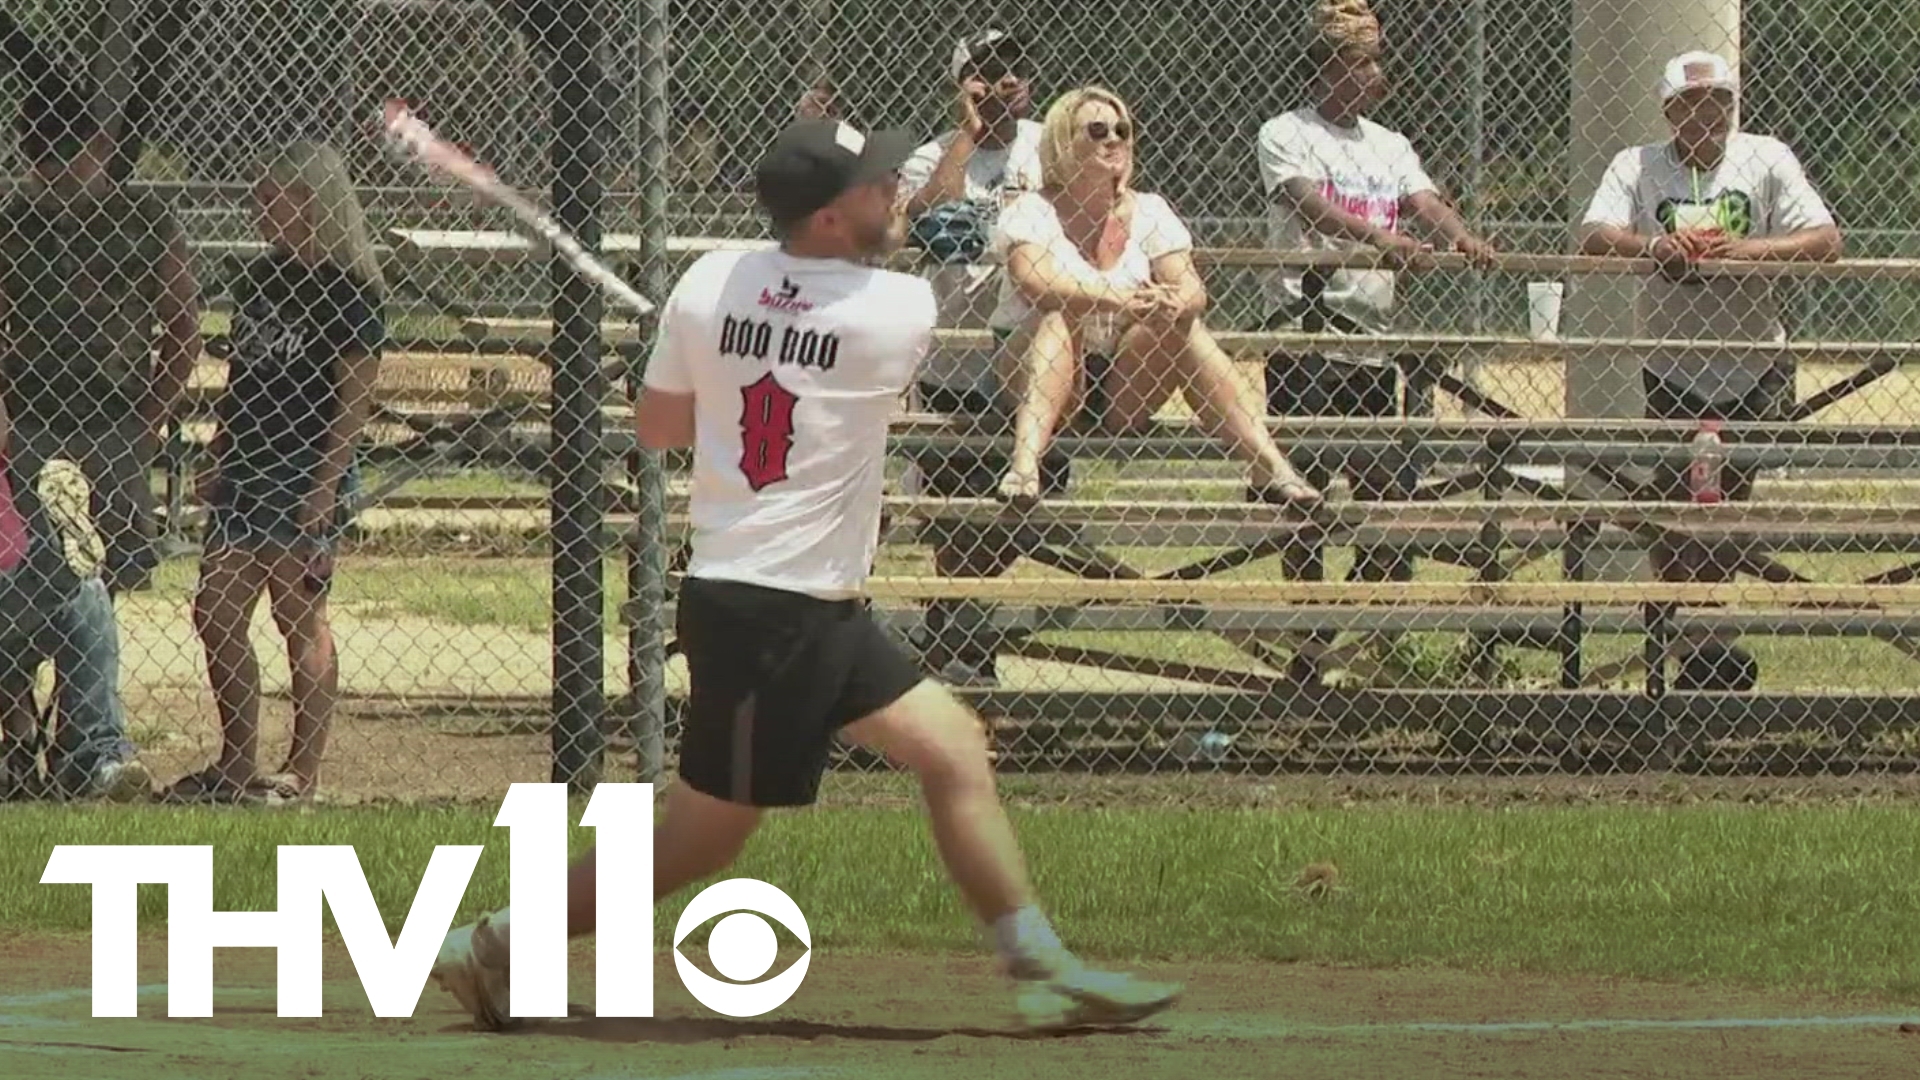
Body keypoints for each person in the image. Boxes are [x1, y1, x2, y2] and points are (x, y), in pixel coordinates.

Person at [429, 116, 1182, 1033]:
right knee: (700, 839)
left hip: (803, 602)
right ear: (828, 216)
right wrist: (755, 348)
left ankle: (1039, 964)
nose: (894, 195)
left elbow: (660, 428)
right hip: (769, 606)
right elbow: (813, 356)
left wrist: (706, 352)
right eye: (874, 186)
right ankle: (494, 943)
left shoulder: (710, 281)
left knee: (951, 746)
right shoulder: (894, 311)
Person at [1577, 50, 1842, 691]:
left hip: (1752, 365)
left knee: (1727, 509)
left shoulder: (1765, 158)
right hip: (1674, 367)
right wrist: (1657, 246)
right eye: (1692, 104)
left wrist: (1749, 251)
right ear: (1669, 111)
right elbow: (1594, 234)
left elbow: (1826, 241)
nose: (1708, 115)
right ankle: (1695, 642)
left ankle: (1705, 638)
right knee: (1673, 511)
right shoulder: (1636, 165)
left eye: (1719, 102)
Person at [162, 142, 385, 805]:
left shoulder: (352, 294)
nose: (258, 210)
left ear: (310, 202)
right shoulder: (260, 280)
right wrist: (219, 448)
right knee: (215, 611)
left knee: (298, 614)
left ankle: (301, 775)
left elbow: (354, 401)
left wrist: (324, 484)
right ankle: (236, 763)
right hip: (250, 467)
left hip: (306, 467)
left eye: (271, 198)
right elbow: (243, 378)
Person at [0, 78, 196, 798]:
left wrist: (150, 414)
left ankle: (87, 739)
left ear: (100, 150)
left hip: (112, 418)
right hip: (29, 421)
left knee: (93, 578)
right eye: (39, 163)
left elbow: (181, 321)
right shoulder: (16, 222)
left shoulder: (141, 217)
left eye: (66, 161)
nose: (51, 178)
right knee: (21, 573)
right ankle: (20, 738)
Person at [990, 85, 1318, 509]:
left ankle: (1269, 468)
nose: (1114, 139)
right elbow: (1037, 283)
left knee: (1185, 324)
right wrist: (1119, 299)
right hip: (1037, 366)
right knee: (1060, 313)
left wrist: (1174, 302)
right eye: (1097, 129)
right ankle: (1024, 468)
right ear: (1063, 142)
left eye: (1121, 129)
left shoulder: (1150, 209)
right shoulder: (1031, 210)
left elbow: (1193, 289)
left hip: (1124, 379)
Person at [898, 28, 1047, 687]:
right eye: (989, 71)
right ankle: (961, 642)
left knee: (1018, 512)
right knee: (956, 515)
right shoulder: (933, 156)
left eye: (1017, 67)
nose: (1007, 80)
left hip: (1032, 362)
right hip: (954, 364)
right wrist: (967, 134)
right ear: (964, 85)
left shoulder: (1052, 143)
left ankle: (950, 628)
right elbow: (922, 219)